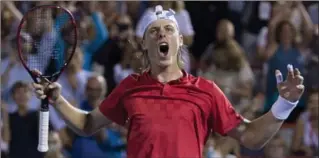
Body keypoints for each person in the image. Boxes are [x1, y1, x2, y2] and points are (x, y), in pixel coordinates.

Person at [32, 5, 305, 158]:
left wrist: (285, 103)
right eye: (154, 31)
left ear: (179, 41)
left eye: (169, 30)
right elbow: (87, 124)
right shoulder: (130, 87)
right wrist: (57, 100)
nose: (162, 34)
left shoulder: (206, 91)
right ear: (145, 44)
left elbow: (250, 136)